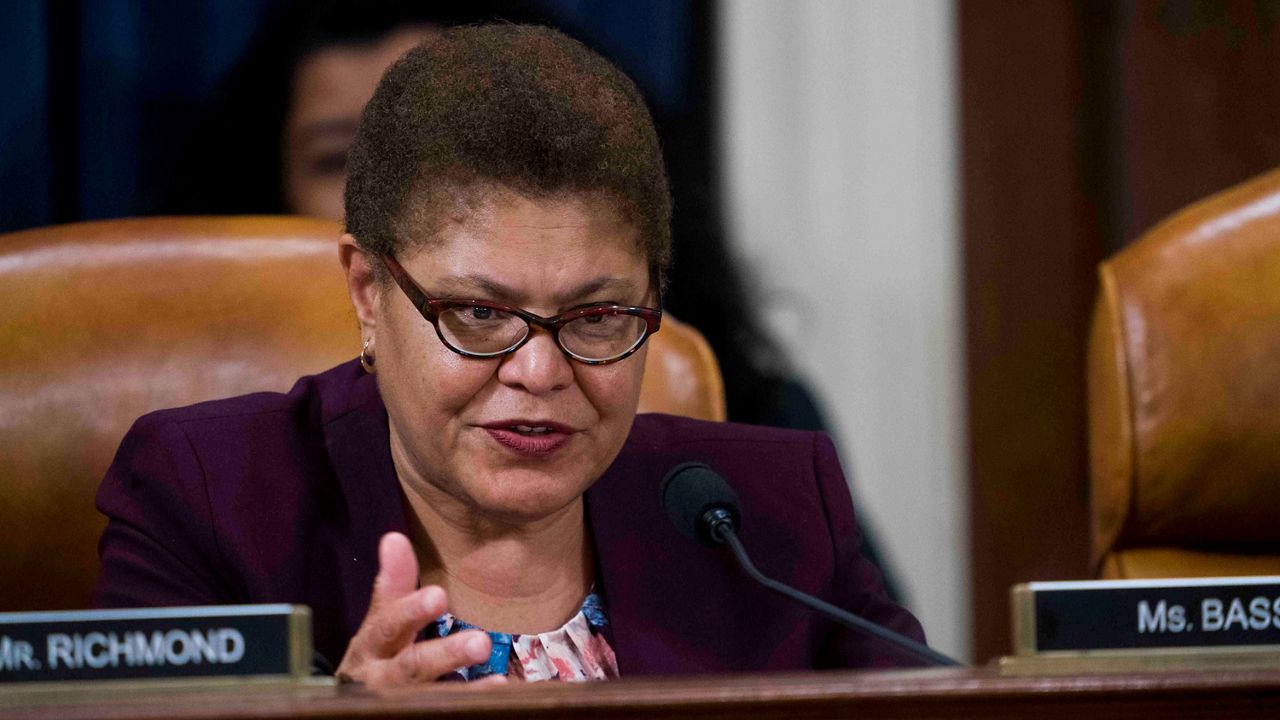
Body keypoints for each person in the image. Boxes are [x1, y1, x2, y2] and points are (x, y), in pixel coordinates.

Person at [96, 25, 925, 687]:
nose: (539, 372)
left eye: (598, 316)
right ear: (367, 293)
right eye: (481, 314)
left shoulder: (772, 517)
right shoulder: (207, 499)